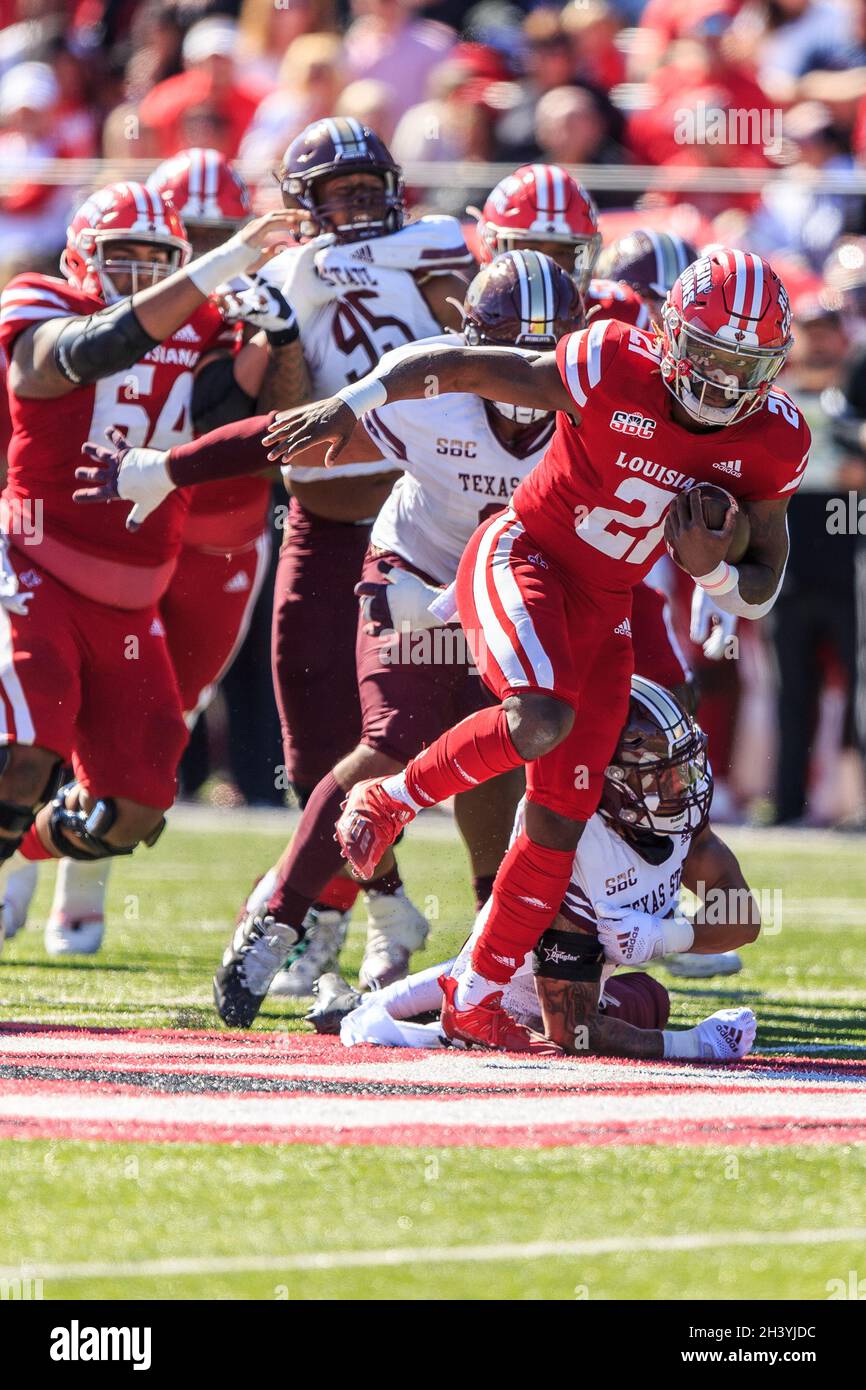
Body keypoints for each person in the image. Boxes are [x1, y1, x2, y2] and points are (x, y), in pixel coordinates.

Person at [257, 247, 808, 1051]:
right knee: (539, 716)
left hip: (607, 603)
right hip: (524, 554)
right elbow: (463, 363)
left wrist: (713, 571)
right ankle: (391, 797)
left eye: (744, 365)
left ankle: (476, 996)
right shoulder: (611, 361)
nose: (724, 383)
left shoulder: (771, 438)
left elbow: (763, 582)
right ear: (671, 335)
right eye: (711, 357)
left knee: (559, 816)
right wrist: (355, 398)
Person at [0, 183, 297, 953]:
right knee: (21, 753)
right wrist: (209, 271)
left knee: (134, 808)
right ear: (80, 259)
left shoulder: (199, 321)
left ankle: (24, 857)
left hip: (132, 596)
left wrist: (274, 337)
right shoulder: (39, 298)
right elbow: (73, 357)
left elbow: (234, 420)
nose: (138, 276)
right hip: (35, 562)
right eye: (121, 259)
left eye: (155, 260)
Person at [215, 118, 474, 993]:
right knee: (313, 751)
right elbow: (292, 438)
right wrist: (286, 335)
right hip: (321, 531)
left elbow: (475, 348)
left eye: (371, 187)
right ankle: (366, 909)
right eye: (341, 191)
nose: (361, 203)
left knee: (406, 738)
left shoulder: (436, 249)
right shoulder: (284, 277)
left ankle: (377, 923)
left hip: (420, 531)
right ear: (305, 204)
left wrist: (431, 280)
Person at [317, 677, 759, 1062]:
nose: (679, 786)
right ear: (607, 778)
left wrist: (670, 937)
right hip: (506, 1003)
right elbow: (574, 1032)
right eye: (659, 774)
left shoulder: (674, 819)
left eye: (681, 768)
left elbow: (743, 916)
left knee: (649, 1000)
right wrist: (697, 1044)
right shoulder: (576, 843)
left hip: (553, 986)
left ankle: (361, 1003)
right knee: (584, 1020)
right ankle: (368, 1012)